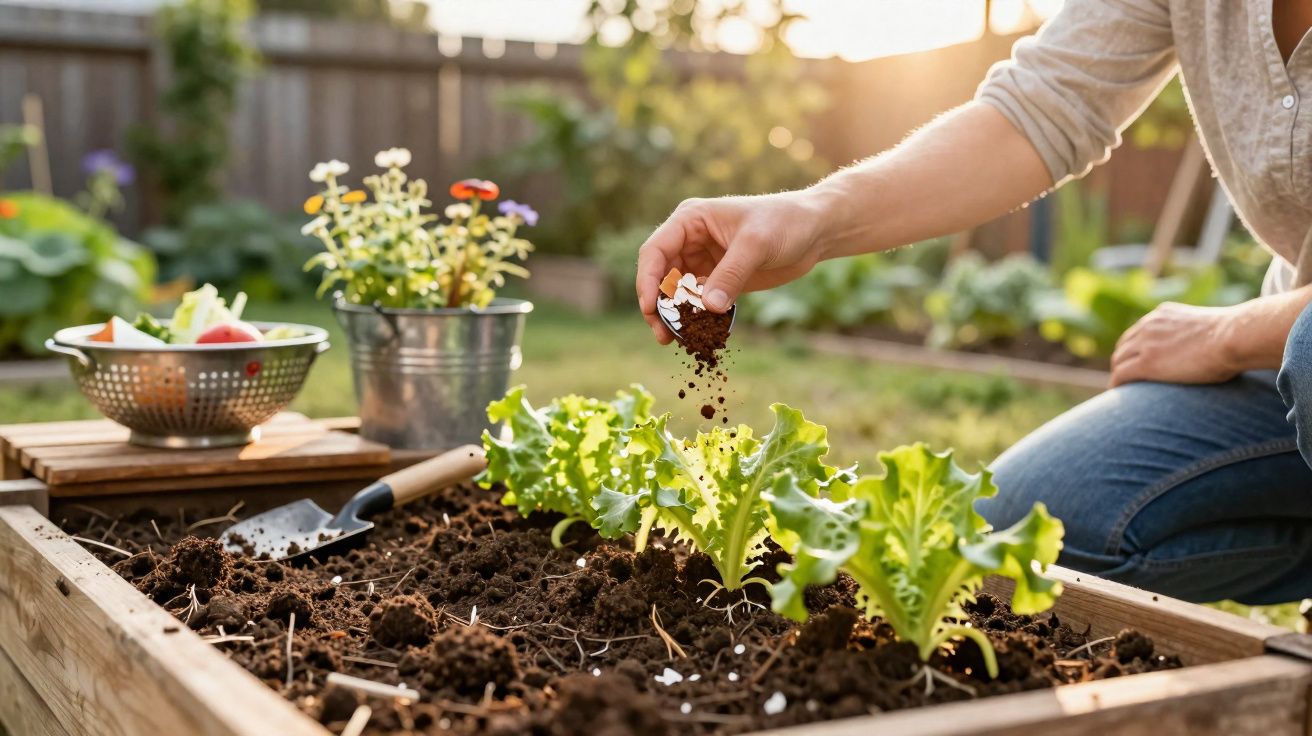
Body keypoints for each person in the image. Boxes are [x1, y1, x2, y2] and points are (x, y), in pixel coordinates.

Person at [635, 0, 1312, 605]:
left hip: (1296, 349)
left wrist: (1230, 335)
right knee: (1021, 530)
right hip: (1285, 372)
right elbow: (1042, 106)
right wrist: (813, 217)